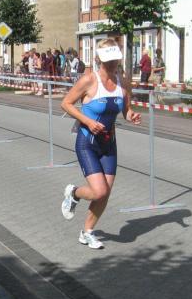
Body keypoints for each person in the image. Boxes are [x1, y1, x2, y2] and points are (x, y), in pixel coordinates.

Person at [60, 38, 141, 249]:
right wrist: (87, 121)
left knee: (106, 193)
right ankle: (74, 192)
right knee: (99, 192)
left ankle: (87, 232)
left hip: (109, 144)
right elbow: (66, 103)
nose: (113, 63)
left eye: (115, 59)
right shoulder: (89, 80)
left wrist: (131, 115)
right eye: (108, 60)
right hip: (87, 142)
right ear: (99, 60)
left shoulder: (123, 82)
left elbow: (126, 109)